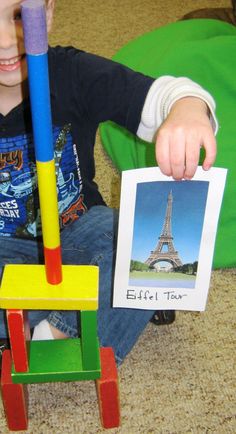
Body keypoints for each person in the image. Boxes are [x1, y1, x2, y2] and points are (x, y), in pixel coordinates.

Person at [0, 0, 217, 365]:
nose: (6, 40)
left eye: (21, 16)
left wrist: (189, 110)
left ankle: (48, 331)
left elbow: (168, 94)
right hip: (6, 251)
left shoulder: (75, 73)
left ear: (49, 11)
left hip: (82, 229)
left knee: (145, 248)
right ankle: (93, 311)